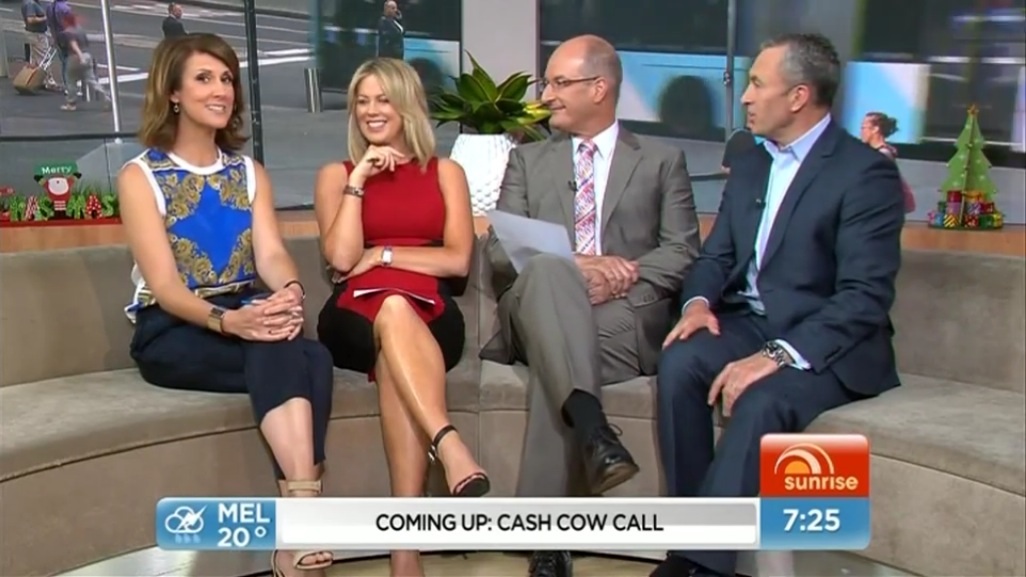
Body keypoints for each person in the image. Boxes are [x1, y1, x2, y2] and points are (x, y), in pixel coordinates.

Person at [651, 33, 905, 577]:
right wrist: (697, 304)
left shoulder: (864, 173)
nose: (745, 96)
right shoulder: (751, 163)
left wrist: (777, 354)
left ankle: (699, 565)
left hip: (831, 345)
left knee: (762, 399)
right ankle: (690, 541)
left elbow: (864, 296)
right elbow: (717, 256)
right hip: (751, 322)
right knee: (679, 364)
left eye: (757, 84)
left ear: (798, 96)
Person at [482, 34, 700, 577]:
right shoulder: (526, 160)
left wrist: (622, 277)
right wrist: (577, 264)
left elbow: (681, 250)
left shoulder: (661, 161)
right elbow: (499, 249)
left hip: (619, 319)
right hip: (534, 308)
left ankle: (549, 534)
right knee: (551, 271)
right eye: (547, 83)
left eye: (559, 82)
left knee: (561, 361)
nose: (546, 95)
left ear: (599, 88)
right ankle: (593, 431)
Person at [117, 34, 334, 577]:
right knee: (300, 357)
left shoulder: (248, 172)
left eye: (227, 79)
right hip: (173, 326)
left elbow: (271, 254)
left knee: (307, 353)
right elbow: (166, 286)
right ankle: (303, 520)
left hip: (242, 310)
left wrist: (291, 291)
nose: (221, 91)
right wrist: (231, 321)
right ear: (172, 92)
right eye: (204, 79)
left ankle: (294, 533)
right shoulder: (140, 177)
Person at [313, 57, 481, 577]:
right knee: (389, 309)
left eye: (383, 99)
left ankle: (403, 549)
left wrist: (384, 255)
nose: (371, 110)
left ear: (407, 104)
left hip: (432, 312)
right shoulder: (337, 175)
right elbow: (342, 260)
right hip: (352, 316)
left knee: (395, 336)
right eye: (362, 101)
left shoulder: (446, 173)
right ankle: (448, 444)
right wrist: (360, 178)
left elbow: (458, 261)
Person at [860, 111, 915, 213]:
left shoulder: (883, 155)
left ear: (875, 129)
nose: (861, 132)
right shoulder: (878, 153)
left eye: (864, 128)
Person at [58, 13, 111, 112]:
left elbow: (73, 44)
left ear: (65, 21)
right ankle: (105, 96)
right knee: (91, 79)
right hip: (87, 55)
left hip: (75, 57)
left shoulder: (67, 33)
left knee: (71, 81)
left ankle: (71, 103)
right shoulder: (80, 29)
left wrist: (80, 56)